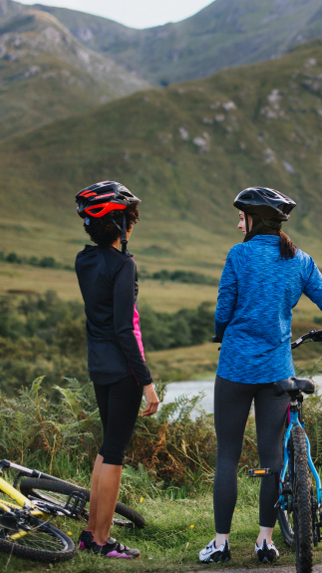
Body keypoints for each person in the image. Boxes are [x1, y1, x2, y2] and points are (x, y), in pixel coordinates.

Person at [198, 187, 322, 565]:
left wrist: (220, 331)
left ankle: (221, 543)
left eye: (242, 217)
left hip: (234, 368)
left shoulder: (238, 255)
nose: (238, 223)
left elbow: (223, 310)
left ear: (255, 220)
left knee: (227, 455)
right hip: (277, 371)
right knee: (271, 458)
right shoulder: (301, 260)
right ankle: (265, 541)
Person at [74, 181, 160, 559]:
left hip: (99, 367)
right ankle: (102, 540)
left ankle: (92, 533)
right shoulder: (124, 265)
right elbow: (125, 329)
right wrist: (147, 383)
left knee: (106, 448)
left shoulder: (84, 260)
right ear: (121, 223)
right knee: (115, 454)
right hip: (123, 371)